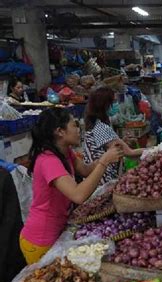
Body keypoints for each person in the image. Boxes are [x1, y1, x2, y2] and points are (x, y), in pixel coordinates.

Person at [19, 108, 124, 264]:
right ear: (60, 131)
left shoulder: (65, 152)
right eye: (74, 125)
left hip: (57, 230)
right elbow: (78, 195)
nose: (78, 129)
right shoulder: (48, 160)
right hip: (40, 240)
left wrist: (107, 154)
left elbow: (87, 171)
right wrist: (105, 161)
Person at [83, 87, 144, 185]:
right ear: (105, 105)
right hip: (102, 178)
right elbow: (130, 153)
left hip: (96, 176)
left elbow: (107, 145)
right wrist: (156, 149)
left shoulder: (94, 124)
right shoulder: (101, 127)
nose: (115, 105)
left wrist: (120, 141)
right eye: (113, 102)